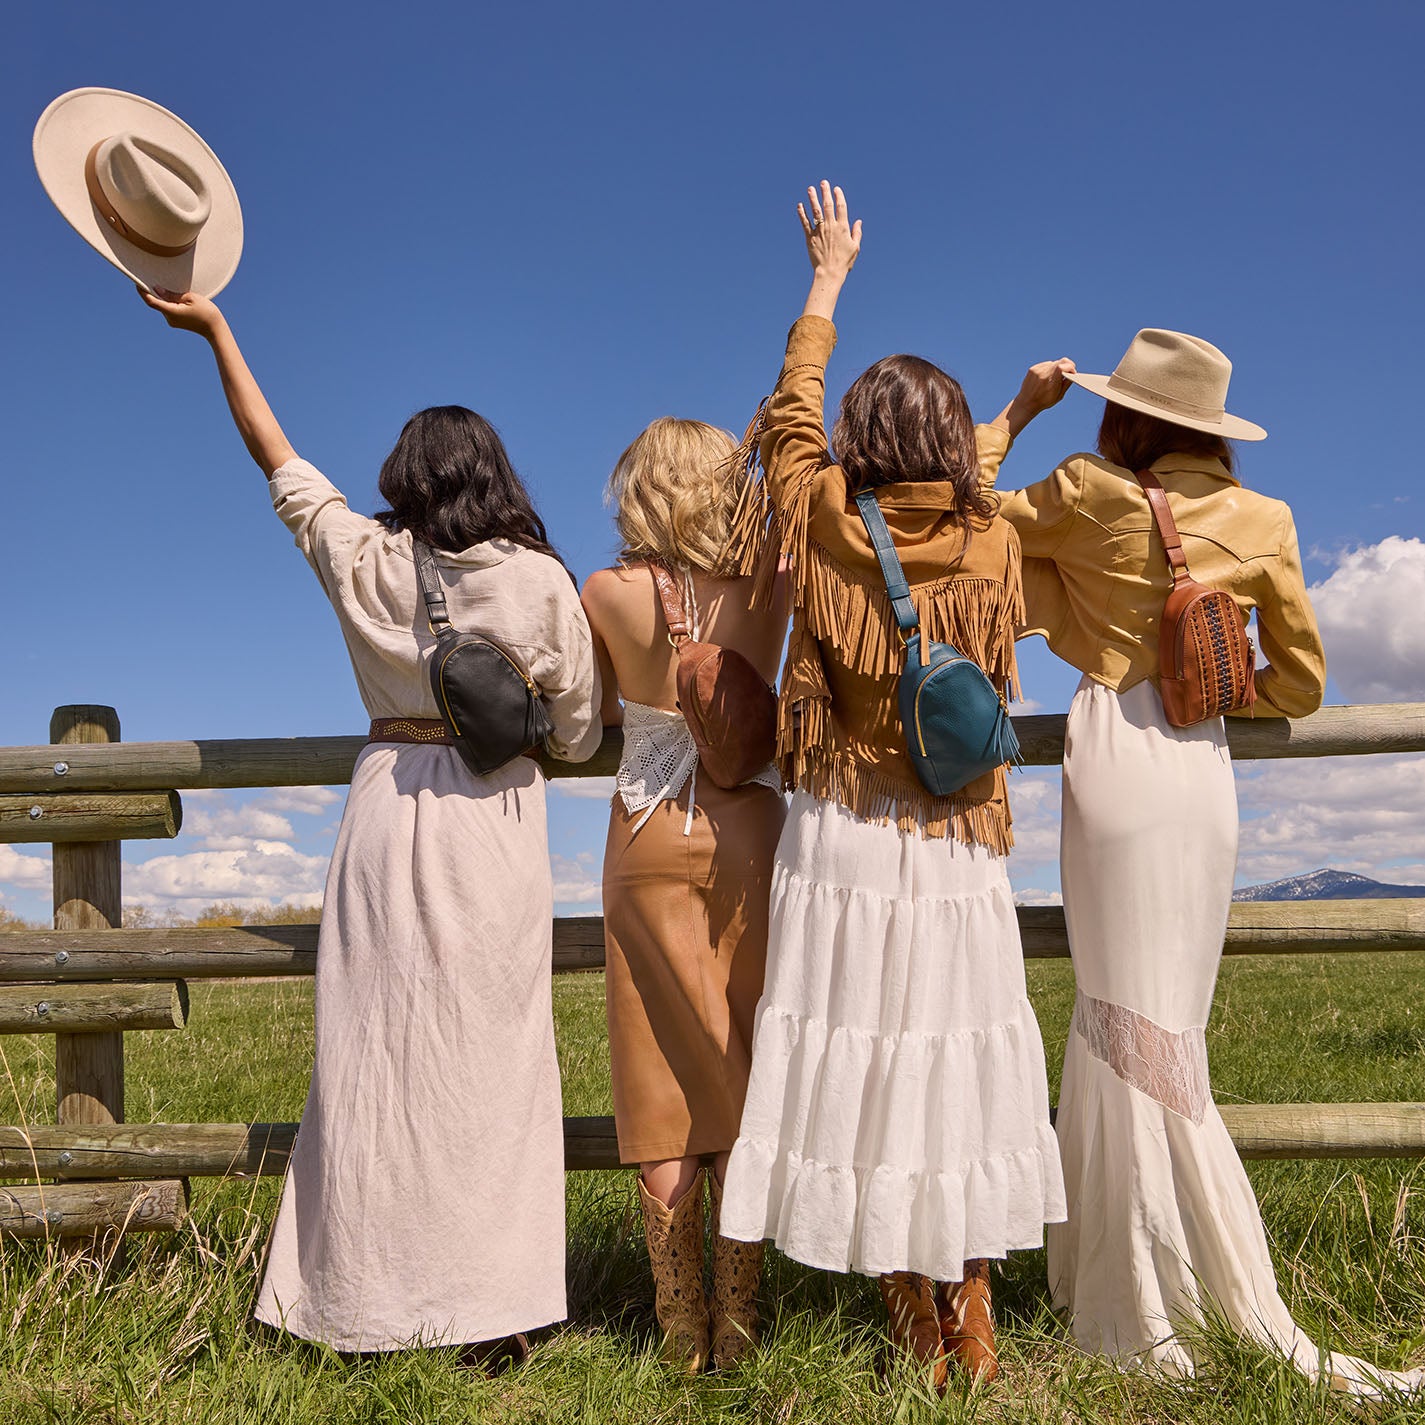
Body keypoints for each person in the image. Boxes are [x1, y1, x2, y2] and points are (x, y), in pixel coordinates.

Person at [139, 286, 602, 1358]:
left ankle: (358, 1307)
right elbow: (575, 733)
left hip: (387, 815)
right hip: (494, 830)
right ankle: (491, 1314)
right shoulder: (539, 581)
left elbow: (279, 462)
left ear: (405, 479)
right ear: (495, 478)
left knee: (374, 1064)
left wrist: (217, 329)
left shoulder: (365, 559)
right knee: (490, 1070)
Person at [986, 331, 1423, 1399]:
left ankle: (1128, 1279)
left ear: (1126, 414)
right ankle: (1179, 1270)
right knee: (1166, 1033)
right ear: (1212, 426)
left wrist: (1022, 409)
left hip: (1113, 762)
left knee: (1115, 1022)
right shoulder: (1263, 519)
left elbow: (964, 520)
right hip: (1200, 769)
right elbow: (1305, 683)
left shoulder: (1087, 487)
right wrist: (1214, 681)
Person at [717, 184, 1066, 1391]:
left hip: (849, 830)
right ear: (956, 438)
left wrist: (825, 281)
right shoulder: (992, 539)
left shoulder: (822, 517)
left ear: (861, 438)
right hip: (959, 834)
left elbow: (786, 424)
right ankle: (974, 1320)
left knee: (867, 1059)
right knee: (956, 1061)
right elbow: (958, 485)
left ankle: (909, 1310)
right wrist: (1014, 416)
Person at [580, 418, 790, 1372]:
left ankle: (678, 1327)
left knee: (661, 1077)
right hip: (749, 833)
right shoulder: (771, 580)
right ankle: (740, 1320)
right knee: (742, 1061)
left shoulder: (605, 591)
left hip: (647, 835)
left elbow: (587, 719)